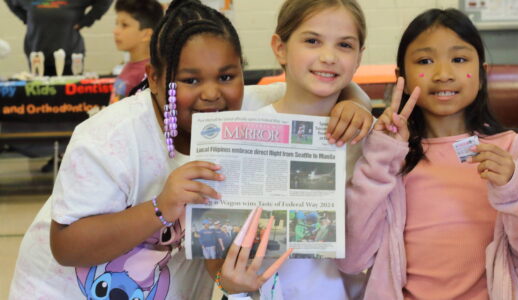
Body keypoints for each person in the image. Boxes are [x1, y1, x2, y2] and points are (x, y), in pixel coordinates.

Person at [9, 1, 372, 298]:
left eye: (227, 76)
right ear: (153, 78)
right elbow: (66, 246)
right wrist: (160, 208)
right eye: (190, 79)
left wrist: (357, 102)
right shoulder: (108, 137)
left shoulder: (244, 112)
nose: (211, 94)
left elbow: (311, 91)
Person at [336, 8, 518, 300]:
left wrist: (515, 188)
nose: (442, 75)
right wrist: (381, 158)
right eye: (425, 61)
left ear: (482, 74)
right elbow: (352, 259)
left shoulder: (516, 153)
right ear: (400, 76)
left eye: (459, 59)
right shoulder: (388, 153)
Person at [210, 1, 369, 299]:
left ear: (359, 56)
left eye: (345, 45)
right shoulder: (239, 135)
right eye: (312, 41)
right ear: (280, 48)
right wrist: (226, 281)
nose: (328, 57)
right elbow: (215, 254)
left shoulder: (369, 141)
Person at [4, 0, 112, 76]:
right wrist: (25, 17)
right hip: (37, 54)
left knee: (70, 102)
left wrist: (87, 21)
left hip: (70, 56)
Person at [109, 0, 164, 104]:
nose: (115, 31)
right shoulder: (131, 65)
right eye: (117, 23)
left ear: (146, 34)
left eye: (124, 25)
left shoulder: (148, 74)